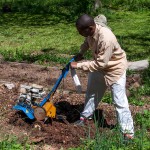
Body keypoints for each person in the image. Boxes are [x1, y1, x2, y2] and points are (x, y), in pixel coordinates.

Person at [70, 14, 134, 139]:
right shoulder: (91, 33)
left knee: (119, 101)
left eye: (80, 31)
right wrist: (80, 53)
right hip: (100, 68)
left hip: (115, 69)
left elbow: (100, 64)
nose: (79, 33)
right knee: (91, 93)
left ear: (89, 28)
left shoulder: (106, 38)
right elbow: (86, 43)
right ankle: (85, 118)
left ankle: (128, 133)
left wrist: (79, 65)